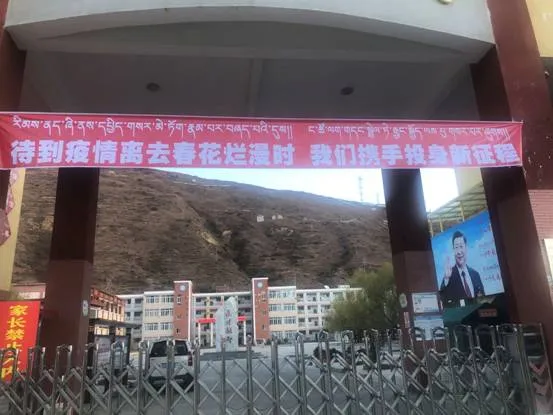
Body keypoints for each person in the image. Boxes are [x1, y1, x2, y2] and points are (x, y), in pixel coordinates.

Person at [439, 230, 484, 306]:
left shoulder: (475, 274)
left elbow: (483, 299)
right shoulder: (449, 276)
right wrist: (446, 278)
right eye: (456, 247)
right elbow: (442, 299)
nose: (459, 252)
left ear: (466, 247)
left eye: (461, 246)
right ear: (453, 250)